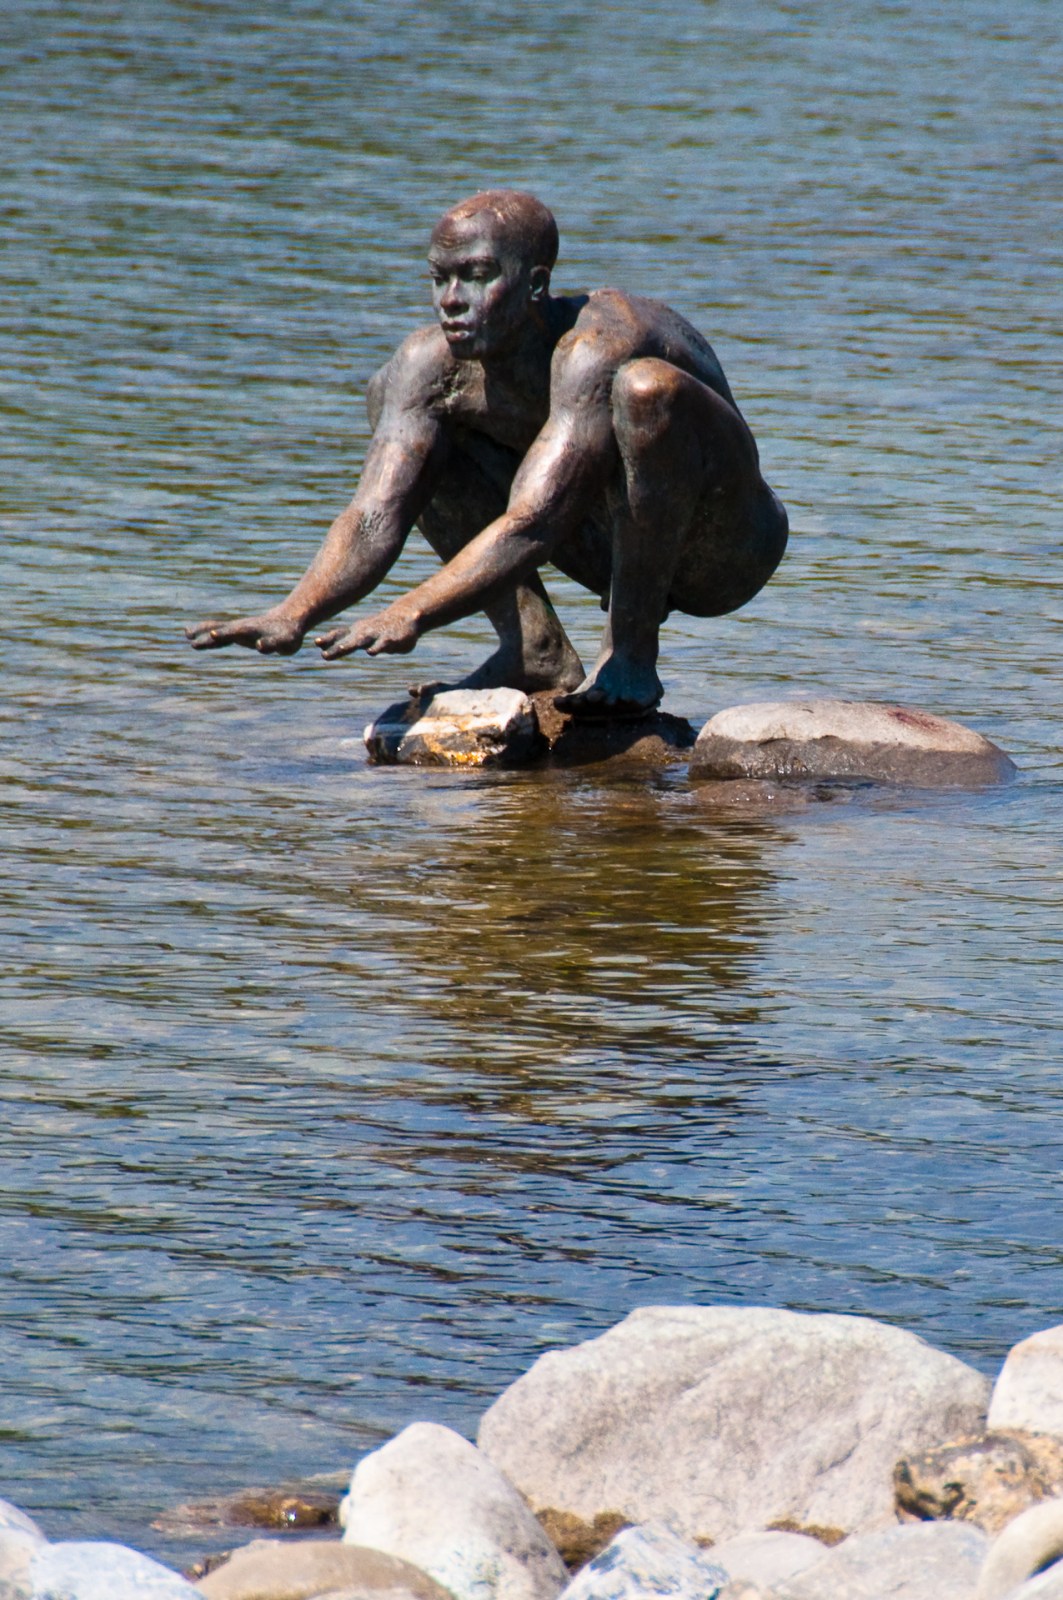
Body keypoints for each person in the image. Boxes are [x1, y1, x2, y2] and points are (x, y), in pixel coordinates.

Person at [187, 189, 787, 718]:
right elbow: (374, 514)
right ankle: (533, 649)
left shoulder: (595, 345)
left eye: (476, 275)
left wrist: (413, 611)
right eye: (439, 277)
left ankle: (631, 656)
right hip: (602, 538)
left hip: (722, 549)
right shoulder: (433, 363)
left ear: (534, 284)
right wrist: (297, 611)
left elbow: (535, 522)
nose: (451, 299)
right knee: (397, 394)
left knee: (645, 391)